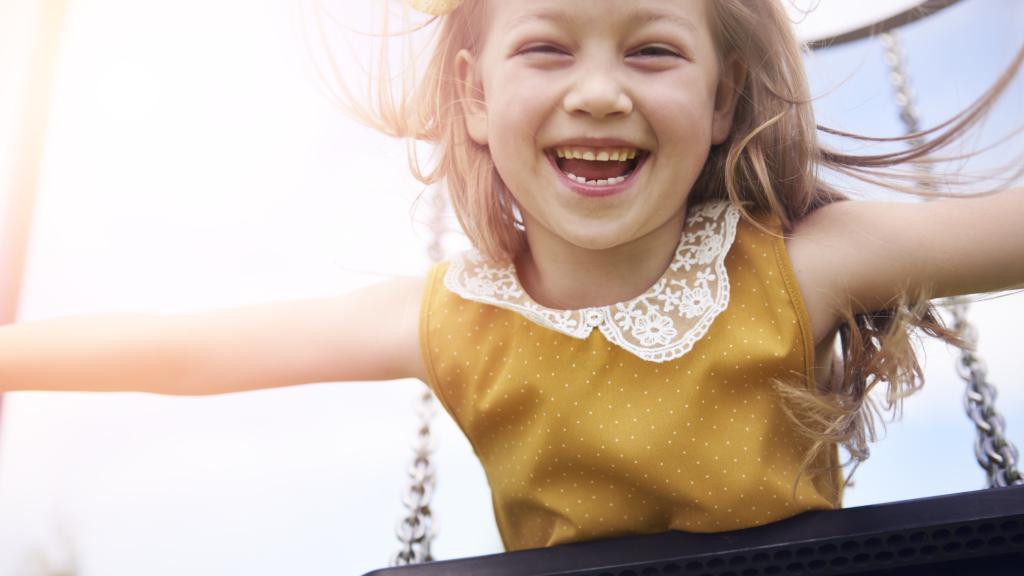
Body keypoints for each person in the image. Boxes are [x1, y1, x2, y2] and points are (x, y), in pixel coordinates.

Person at [1, 0, 1021, 553]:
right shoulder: (454, 320)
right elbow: (198, 349)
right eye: (545, 46)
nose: (597, 91)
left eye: (653, 50)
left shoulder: (802, 268)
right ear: (475, 96)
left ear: (719, 102)